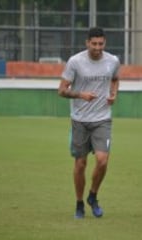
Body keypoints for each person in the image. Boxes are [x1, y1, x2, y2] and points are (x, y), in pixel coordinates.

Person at [58, 27, 120, 219]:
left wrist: (114, 94)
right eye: (94, 44)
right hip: (80, 120)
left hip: (103, 119)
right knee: (81, 163)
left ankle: (92, 196)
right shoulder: (75, 62)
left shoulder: (113, 61)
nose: (97, 47)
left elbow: (115, 79)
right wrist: (80, 95)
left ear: (105, 43)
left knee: (102, 161)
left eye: (101, 44)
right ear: (87, 43)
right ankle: (79, 204)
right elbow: (61, 90)